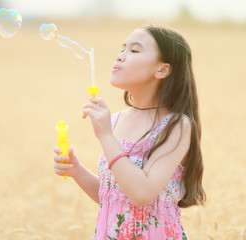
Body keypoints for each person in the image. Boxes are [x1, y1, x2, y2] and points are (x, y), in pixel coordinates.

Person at [53, 24, 206, 239]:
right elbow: (113, 195)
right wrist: (77, 170)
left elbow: (141, 193)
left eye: (134, 50)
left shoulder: (177, 126)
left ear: (162, 69)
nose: (120, 56)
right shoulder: (115, 121)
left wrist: (105, 135)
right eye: (122, 49)